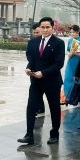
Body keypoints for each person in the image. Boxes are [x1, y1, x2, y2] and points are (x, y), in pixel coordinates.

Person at [19, 17, 65, 145]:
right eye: (42, 27)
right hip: (36, 81)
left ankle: (54, 134)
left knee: (54, 107)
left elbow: (59, 64)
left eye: (47, 27)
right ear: (39, 28)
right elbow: (32, 59)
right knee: (31, 107)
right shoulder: (33, 42)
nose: (44, 30)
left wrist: (43, 73)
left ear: (52, 28)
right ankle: (29, 134)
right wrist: (29, 68)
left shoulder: (58, 43)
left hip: (52, 81)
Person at [63, 25, 80, 106]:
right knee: (68, 79)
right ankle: (68, 97)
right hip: (71, 62)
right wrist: (71, 53)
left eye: (73, 32)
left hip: (79, 63)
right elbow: (67, 53)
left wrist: (78, 53)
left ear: (78, 31)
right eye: (71, 32)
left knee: (79, 80)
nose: (72, 34)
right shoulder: (69, 41)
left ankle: (78, 98)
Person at [31, 23, 45, 117]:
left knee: (42, 90)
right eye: (34, 33)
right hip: (34, 70)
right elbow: (29, 55)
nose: (35, 34)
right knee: (36, 91)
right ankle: (38, 108)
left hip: (45, 72)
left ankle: (40, 107)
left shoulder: (49, 41)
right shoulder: (32, 41)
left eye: (37, 32)